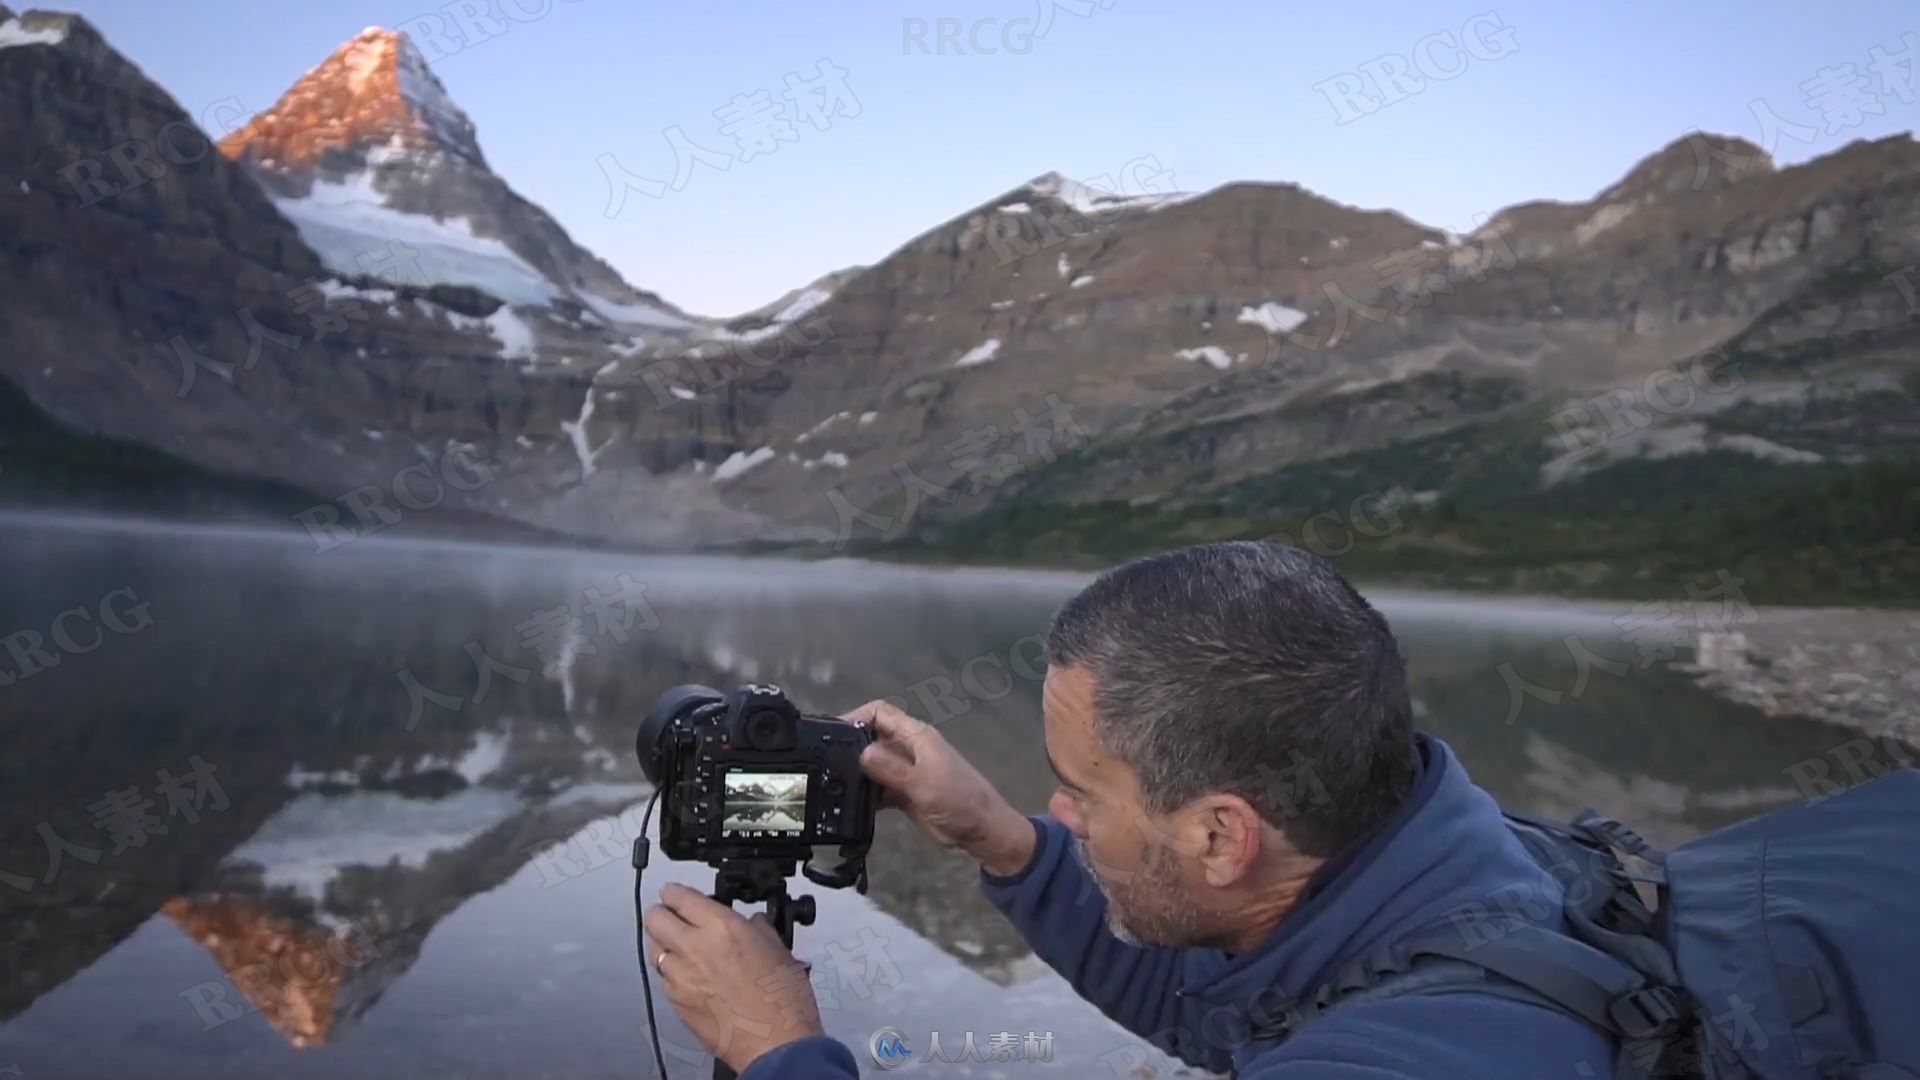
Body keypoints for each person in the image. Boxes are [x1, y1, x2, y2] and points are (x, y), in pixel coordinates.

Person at [641, 541, 1617, 1077]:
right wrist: (1001, 838)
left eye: (1083, 793)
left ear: (1219, 835)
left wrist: (778, 1050)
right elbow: (1214, 1013)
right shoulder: (1424, 878)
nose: (1060, 813)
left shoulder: (1425, 1059)